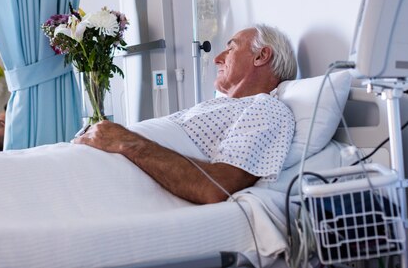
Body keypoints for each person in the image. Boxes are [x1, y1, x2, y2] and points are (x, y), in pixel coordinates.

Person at [74, 24, 298, 204]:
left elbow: (215, 187)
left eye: (231, 48)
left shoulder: (268, 108)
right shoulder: (224, 107)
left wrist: (128, 141)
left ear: (261, 56)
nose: (218, 58)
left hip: (105, 176)